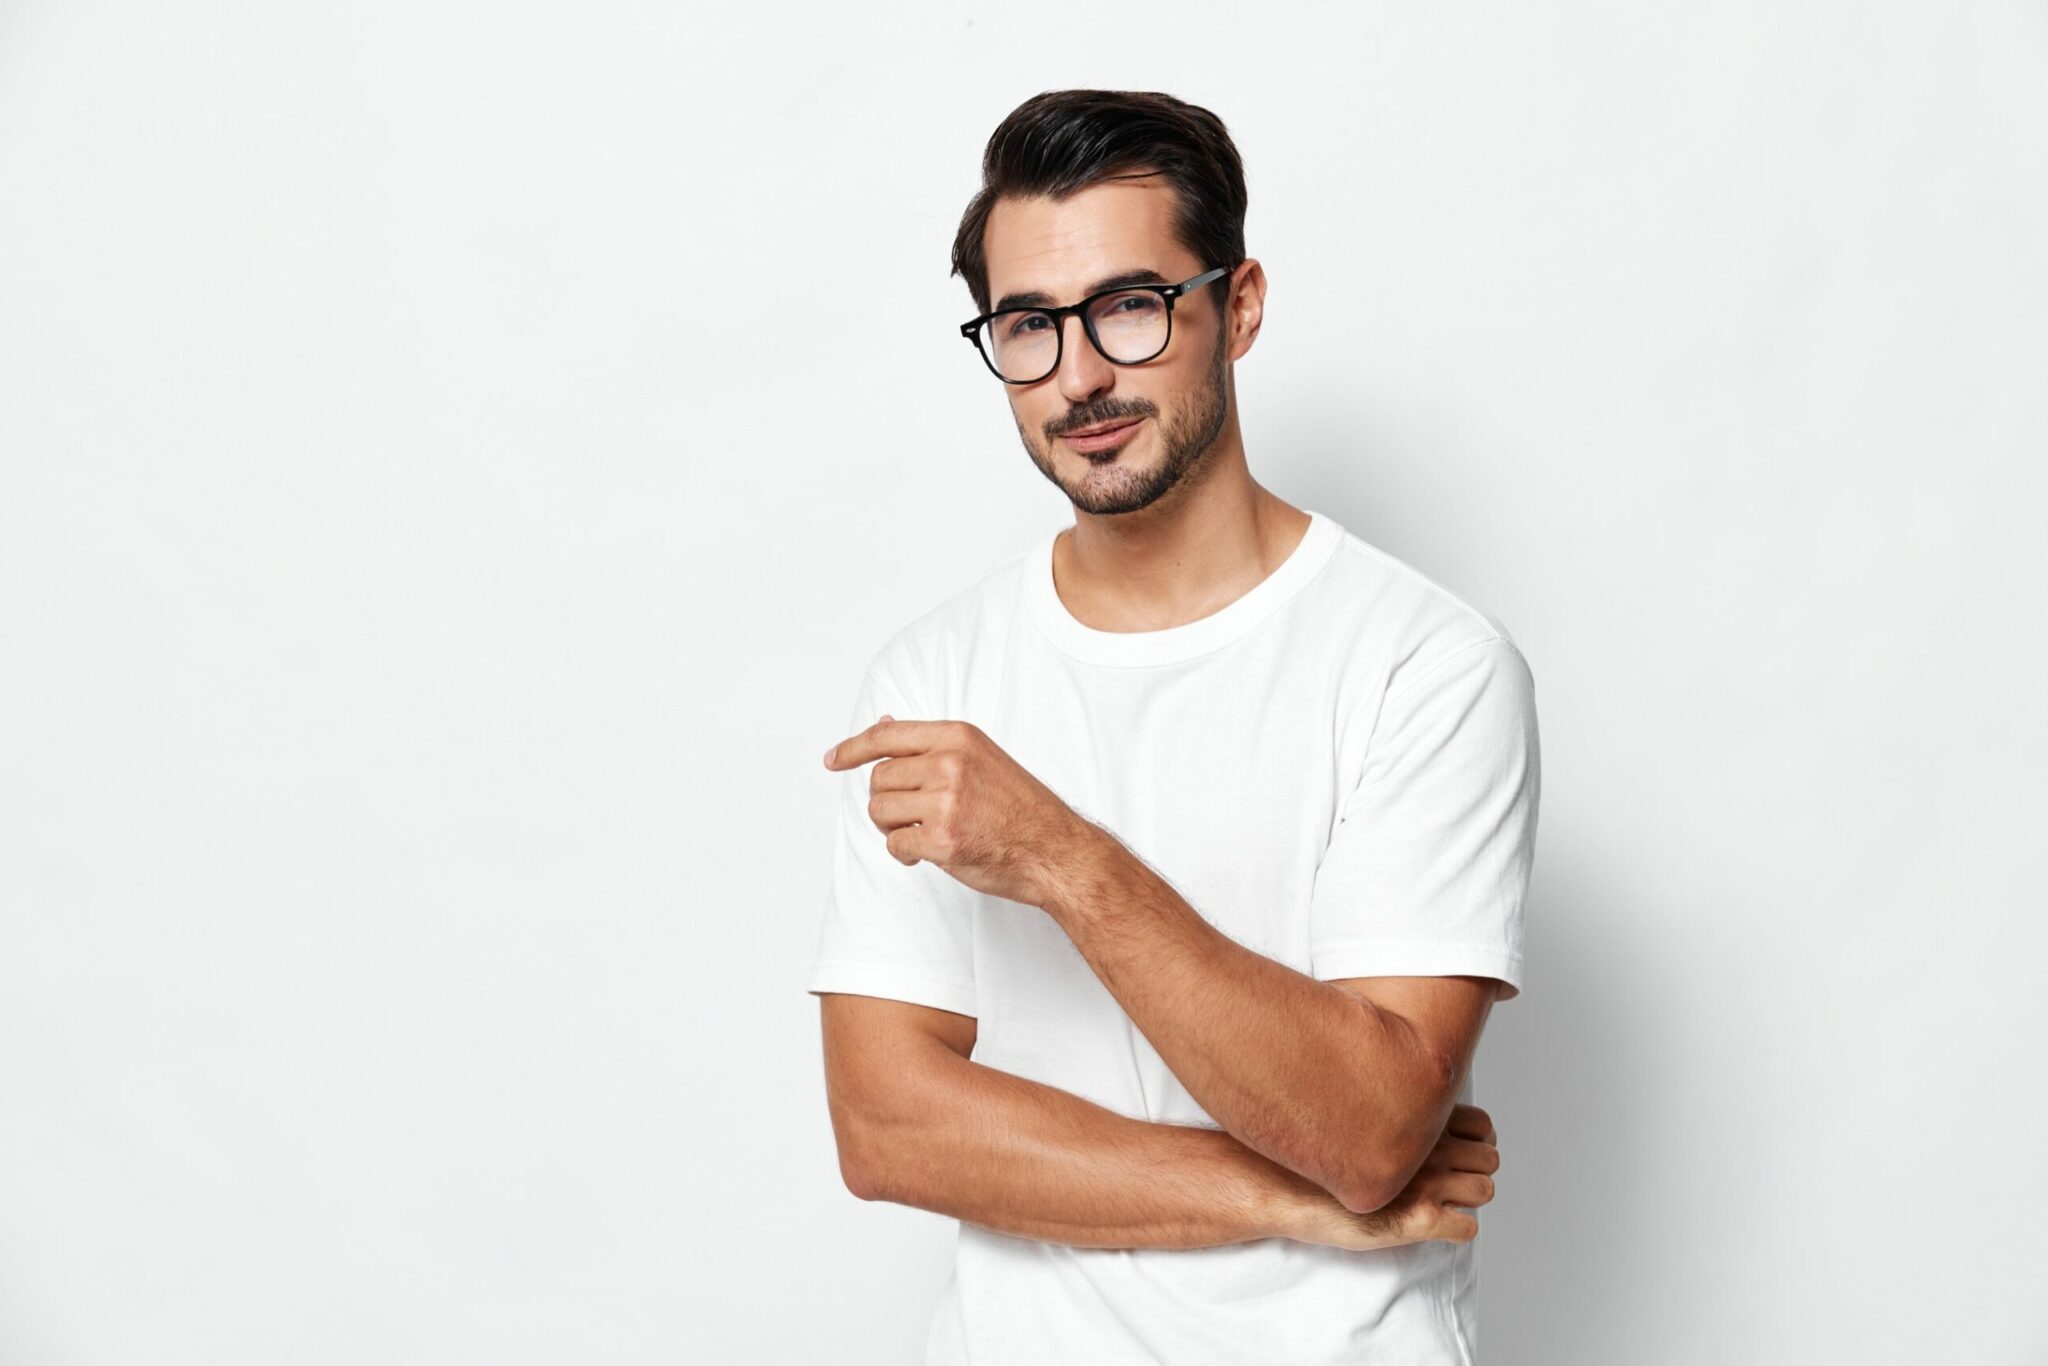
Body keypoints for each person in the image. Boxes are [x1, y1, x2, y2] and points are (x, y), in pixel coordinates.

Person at [808, 88, 1541, 1364]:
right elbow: (886, 1130)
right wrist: (1288, 1197)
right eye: (1028, 325)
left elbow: (1369, 1129)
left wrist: (1056, 856)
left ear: (1237, 306)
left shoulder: (1424, 666)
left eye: (1130, 306)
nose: (1079, 374)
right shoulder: (932, 677)